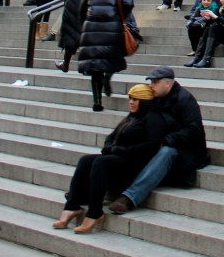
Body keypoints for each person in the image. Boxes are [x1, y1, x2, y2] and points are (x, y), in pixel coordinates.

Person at [52, 83, 159, 235]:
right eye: (130, 98)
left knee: (100, 162)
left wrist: (119, 150)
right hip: (118, 157)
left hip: (133, 165)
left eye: (136, 99)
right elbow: (113, 135)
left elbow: (150, 147)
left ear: (146, 101)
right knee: (85, 160)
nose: (131, 102)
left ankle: (95, 213)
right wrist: (109, 146)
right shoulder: (132, 116)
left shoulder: (153, 119)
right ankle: (72, 206)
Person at [108, 65, 210, 214]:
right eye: (151, 82)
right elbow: (132, 119)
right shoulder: (154, 98)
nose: (151, 85)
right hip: (159, 142)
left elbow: (194, 130)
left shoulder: (185, 99)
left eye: (155, 82)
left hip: (184, 150)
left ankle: (130, 197)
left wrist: (165, 139)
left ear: (167, 83)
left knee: (166, 151)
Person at [76, 0, 136, 111]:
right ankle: (107, 77)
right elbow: (128, 4)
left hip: (91, 31)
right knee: (111, 59)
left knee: (95, 67)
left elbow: (81, 9)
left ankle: (97, 101)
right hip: (113, 30)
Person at [188, 0, 224, 68]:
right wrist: (209, 19)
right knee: (209, 27)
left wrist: (214, 16)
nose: (220, 0)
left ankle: (206, 59)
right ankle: (198, 57)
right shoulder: (222, 9)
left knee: (214, 28)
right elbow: (219, 23)